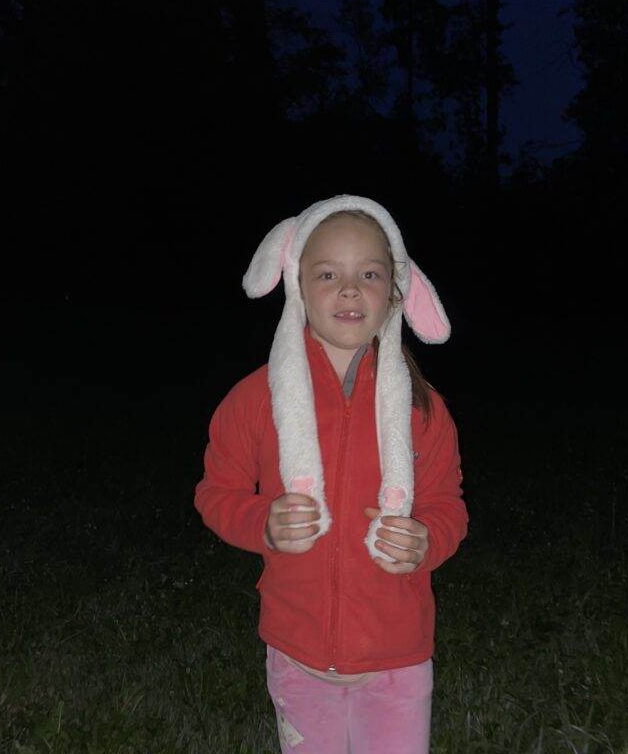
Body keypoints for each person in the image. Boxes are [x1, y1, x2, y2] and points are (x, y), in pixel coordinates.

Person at [195, 195, 468, 754]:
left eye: (369, 274)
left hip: (397, 661)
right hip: (297, 656)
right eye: (327, 274)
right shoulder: (255, 398)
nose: (349, 290)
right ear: (297, 284)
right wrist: (261, 522)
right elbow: (215, 492)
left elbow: (448, 504)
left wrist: (428, 539)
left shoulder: (423, 408)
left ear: (396, 290)